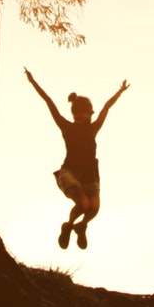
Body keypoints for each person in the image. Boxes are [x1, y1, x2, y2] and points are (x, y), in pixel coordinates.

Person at [25, 69, 128, 250]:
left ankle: (81, 226)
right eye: (79, 116)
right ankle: (68, 225)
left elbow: (106, 107)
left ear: (89, 114)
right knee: (83, 203)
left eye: (86, 115)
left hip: (90, 176)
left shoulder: (94, 128)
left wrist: (119, 92)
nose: (83, 119)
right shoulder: (67, 127)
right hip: (70, 172)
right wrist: (33, 82)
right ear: (75, 116)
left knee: (94, 207)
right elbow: (49, 102)